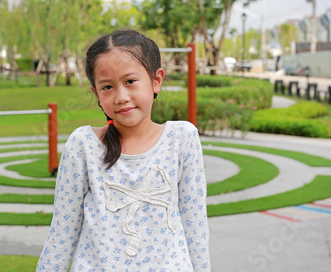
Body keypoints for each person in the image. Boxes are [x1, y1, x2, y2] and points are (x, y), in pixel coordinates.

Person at [36, 29, 210, 271]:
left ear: (156, 80)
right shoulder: (83, 144)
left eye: (130, 81)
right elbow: (63, 231)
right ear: (95, 93)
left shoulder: (182, 139)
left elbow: (196, 226)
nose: (121, 96)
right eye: (107, 87)